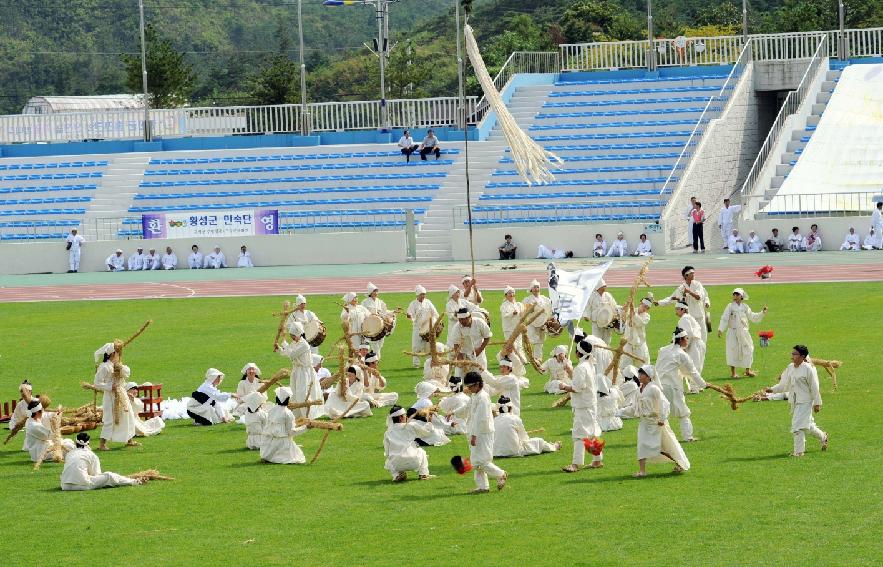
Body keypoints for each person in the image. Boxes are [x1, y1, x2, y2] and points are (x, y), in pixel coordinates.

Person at [620, 365, 690, 477]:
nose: (640, 376)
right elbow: (635, 407)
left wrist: (662, 418)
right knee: (642, 445)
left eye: (642, 374)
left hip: (655, 423)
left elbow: (664, 404)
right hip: (644, 423)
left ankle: (679, 463)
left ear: (649, 376)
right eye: (640, 374)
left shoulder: (654, 389)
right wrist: (619, 412)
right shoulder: (639, 390)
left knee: (663, 446)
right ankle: (642, 471)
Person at [765, 345, 828, 457]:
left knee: (797, 426)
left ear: (802, 356)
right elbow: (784, 384)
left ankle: (799, 452)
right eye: (792, 353)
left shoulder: (808, 369)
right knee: (807, 426)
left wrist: (817, 403)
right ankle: (823, 436)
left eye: (795, 354)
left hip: (806, 401)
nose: (792, 356)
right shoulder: (790, 367)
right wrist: (771, 390)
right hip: (795, 401)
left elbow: (814, 387)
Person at [559, 339, 604, 472]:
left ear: (578, 353)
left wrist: (564, 386)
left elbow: (577, 387)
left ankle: (576, 464)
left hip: (583, 405)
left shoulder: (582, 367)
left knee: (579, 434)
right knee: (591, 433)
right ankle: (597, 460)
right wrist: (570, 370)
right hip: (590, 403)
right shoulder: (589, 364)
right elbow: (581, 382)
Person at [655, 328, 705, 442]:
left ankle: (656, 439)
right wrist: (703, 384)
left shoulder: (663, 350)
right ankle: (688, 437)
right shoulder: (682, 354)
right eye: (686, 338)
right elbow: (693, 372)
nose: (688, 341)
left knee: (659, 413)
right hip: (672, 386)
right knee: (683, 413)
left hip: (657, 386)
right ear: (681, 339)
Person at [464, 371, 507, 493]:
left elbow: (481, 419)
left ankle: (500, 474)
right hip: (475, 431)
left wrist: (474, 435)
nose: (470, 389)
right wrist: (452, 413)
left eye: (471, 386)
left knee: (482, 461)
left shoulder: (482, 397)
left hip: (482, 432)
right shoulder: (475, 396)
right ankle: (483, 486)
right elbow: (468, 408)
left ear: (478, 384)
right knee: (476, 462)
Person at [276, 321, 326, 419]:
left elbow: (292, 354)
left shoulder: (304, 345)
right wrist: (279, 349)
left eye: (293, 335)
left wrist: (283, 340)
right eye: (291, 335)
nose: (292, 337)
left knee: (303, 392)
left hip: (304, 372)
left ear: (299, 333)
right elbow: (287, 353)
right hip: (296, 371)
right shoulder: (295, 343)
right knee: (295, 391)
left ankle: (307, 414)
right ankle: (298, 414)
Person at [93, 342, 138, 449]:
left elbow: (126, 374)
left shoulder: (118, 364)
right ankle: (102, 444)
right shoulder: (104, 367)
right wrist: (110, 387)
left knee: (129, 415)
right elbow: (97, 383)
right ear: (112, 353)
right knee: (110, 419)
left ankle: (129, 439)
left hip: (122, 393)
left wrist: (120, 368)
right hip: (110, 397)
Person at [60, 433, 141, 490]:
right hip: (82, 485)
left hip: (64, 485)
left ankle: (130, 480)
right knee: (109, 476)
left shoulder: (69, 454)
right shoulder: (91, 455)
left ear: (76, 443)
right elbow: (96, 474)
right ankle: (134, 481)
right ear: (88, 443)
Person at [718, 288, 767, 378]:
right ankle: (733, 373)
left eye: (737, 295)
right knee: (732, 351)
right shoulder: (730, 306)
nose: (735, 296)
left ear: (742, 296)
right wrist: (721, 329)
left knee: (749, 349)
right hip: (733, 331)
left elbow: (752, 316)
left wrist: (762, 312)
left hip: (744, 332)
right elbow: (724, 318)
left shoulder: (745, 307)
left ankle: (747, 370)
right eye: (734, 294)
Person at [657, 266, 711, 343]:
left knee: (702, 340)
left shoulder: (698, 284)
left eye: (693, 273)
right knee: (689, 340)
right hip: (689, 318)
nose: (693, 275)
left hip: (699, 316)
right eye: (691, 273)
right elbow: (671, 298)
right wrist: (659, 302)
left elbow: (699, 297)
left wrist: (706, 302)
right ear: (686, 276)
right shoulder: (680, 288)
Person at [493, 396, 560, 457]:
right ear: (510, 408)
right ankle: (554, 447)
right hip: (513, 451)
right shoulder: (514, 418)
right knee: (539, 441)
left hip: (495, 452)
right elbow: (524, 437)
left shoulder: (494, 420)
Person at [384, 405, 436, 481]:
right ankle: (423, 474)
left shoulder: (387, 432)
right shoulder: (411, 426)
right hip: (414, 462)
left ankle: (396, 475)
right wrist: (429, 420)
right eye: (404, 415)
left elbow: (387, 452)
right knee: (421, 451)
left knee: (389, 458)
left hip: (396, 465)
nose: (406, 416)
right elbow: (427, 432)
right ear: (400, 417)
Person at [260, 387, 308, 464]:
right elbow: (291, 432)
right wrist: (305, 428)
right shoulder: (288, 413)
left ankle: (270, 456)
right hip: (283, 443)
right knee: (299, 457)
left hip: (269, 444)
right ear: (288, 399)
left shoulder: (272, 410)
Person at [449, 308, 493, 372]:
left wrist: (480, 349)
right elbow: (456, 344)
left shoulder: (479, 322)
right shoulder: (456, 327)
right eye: (460, 320)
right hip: (463, 354)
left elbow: (487, 336)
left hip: (479, 354)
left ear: (469, 317)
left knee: (482, 376)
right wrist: (459, 358)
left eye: (464, 319)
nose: (462, 322)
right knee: (459, 376)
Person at [674, 302, 707, 386]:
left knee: (693, 366)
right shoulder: (689, 317)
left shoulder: (684, 319)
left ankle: (694, 387)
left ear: (683, 309)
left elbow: (688, 333)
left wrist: (684, 347)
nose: (676, 311)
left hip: (694, 344)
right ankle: (697, 386)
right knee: (696, 366)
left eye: (678, 309)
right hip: (697, 343)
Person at [406, 285, 439, 368]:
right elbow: (409, 314)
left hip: (428, 328)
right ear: (417, 295)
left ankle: (428, 363)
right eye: (421, 294)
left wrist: (436, 321)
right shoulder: (413, 304)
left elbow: (435, 313)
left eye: (424, 294)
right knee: (416, 346)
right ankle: (416, 364)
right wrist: (409, 316)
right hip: (417, 328)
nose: (423, 296)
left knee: (428, 346)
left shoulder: (428, 302)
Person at [620, 297, 652, 378]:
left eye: (647, 308)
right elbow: (622, 315)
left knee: (643, 367)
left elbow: (639, 322)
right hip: (628, 344)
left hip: (639, 345)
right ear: (640, 303)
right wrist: (627, 305)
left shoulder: (647, 316)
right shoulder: (630, 309)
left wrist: (632, 310)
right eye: (644, 306)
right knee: (624, 366)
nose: (645, 309)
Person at [523, 279, 553, 360]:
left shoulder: (545, 299)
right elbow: (525, 311)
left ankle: (538, 358)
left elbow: (549, 311)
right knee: (531, 339)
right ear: (531, 289)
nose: (536, 289)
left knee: (540, 341)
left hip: (543, 322)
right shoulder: (527, 299)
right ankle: (528, 356)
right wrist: (530, 309)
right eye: (534, 287)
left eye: (537, 287)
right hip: (531, 322)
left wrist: (548, 322)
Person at [363, 282, 394, 357]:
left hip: (381, 326)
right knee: (375, 346)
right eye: (374, 291)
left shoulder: (380, 302)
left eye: (377, 291)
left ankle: (371, 358)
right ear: (370, 292)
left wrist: (393, 311)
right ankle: (376, 360)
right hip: (371, 327)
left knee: (380, 344)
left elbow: (384, 312)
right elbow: (363, 313)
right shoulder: (365, 302)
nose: (376, 293)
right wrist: (372, 315)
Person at [583, 278, 619, 344]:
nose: (605, 287)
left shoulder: (608, 295)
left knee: (607, 341)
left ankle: (606, 353)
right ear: (599, 287)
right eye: (603, 286)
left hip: (608, 322)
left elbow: (614, 305)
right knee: (597, 340)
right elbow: (587, 307)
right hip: (596, 323)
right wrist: (586, 315)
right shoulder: (592, 296)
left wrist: (620, 310)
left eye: (605, 285)